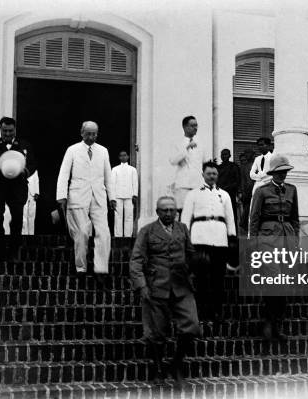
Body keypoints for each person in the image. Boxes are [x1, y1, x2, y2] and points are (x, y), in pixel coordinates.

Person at [129, 196, 200, 386]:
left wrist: (191, 272)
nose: (169, 214)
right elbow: (136, 260)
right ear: (157, 211)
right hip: (156, 287)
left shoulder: (183, 229)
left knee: (191, 325)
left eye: (172, 210)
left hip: (181, 287)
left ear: (176, 211)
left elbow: (191, 254)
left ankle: (176, 364)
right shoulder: (147, 231)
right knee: (157, 333)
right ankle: (159, 368)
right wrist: (141, 285)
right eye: (164, 210)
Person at [249, 153, 298, 341]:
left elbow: (295, 218)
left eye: (284, 172)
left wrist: (295, 241)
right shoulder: (261, 191)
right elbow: (254, 219)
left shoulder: (292, 190)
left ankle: (276, 323)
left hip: (287, 239)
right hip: (267, 239)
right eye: (279, 172)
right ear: (272, 173)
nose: (282, 175)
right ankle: (269, 322)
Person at [56, 121, 115, 276]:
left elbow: (108, 176)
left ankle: (101, 269)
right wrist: (61, 196)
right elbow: (63, 174)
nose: (91, 137)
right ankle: (81, 268)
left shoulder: (103, 151)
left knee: (104, 233)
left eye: (94, 133)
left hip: (98, 196)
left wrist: (112, 197)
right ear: (82, 133)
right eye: (88, 133)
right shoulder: (73, 150)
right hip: (78, 195)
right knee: (82, 232)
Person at [181, 161, 236, 320]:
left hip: (220, 239)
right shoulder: (193, 194)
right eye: (209, 173)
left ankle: (217, 311)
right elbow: (185, 218)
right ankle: (201, 311)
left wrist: (231, 238)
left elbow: (230, 218)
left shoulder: (224, 195)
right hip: (199, 238)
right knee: (201, 276)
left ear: (218, 175)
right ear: (203, 174)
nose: (212, 176)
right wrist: (185, 238)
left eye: (214, 174)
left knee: (218, 277)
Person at [0, 117, 36, 259]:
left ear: (15, 130)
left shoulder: (24, 145)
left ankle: (13, 252)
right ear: (0, 129)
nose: (8, 134)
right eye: (5, 131)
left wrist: (25, 171)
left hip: (17, 188)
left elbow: (33, 164)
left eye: (10, 131)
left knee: (17, 219)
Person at [169, 115, 210, 215]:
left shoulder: (201, 143)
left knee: (197, 213)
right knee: (183, 213)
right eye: (192, 125)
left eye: (196, 125)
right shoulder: (178, 143)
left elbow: (205, 162)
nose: (195, 128)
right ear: (185, 127)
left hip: (198, 183)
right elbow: (173, 161)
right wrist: (186, 148)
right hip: (183, 184)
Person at [110, 150, 138, 237]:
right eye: (121, 156)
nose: (123, 157)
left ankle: (128, 236)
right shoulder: (115, 169)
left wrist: (135, 195)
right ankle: (118, 235)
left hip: (129, 196)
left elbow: (135, 183)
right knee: (118, 217)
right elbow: (112, 184)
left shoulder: (133, 169)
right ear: (119, 157)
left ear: (128, 157)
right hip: (118, 196)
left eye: (125, 155)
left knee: (129, 216)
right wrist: (112, 198)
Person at [217, 148, 241, 221]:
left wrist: (230, 188)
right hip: (220, 194)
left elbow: (238, 181)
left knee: (232, 214)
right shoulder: (219, 167)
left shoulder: (234, 166)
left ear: (229, 155)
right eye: (222, 155)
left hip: (231, 193)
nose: (224, 156)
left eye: (225, 154)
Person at [239, 149, 256, 233]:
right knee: (247, 211)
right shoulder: (244, 167)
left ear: (253, 155)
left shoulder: (257, 165)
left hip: (255, 191)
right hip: (247, 193)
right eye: (246, 154)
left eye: (249, 154)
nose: (247, 156)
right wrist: (243, 192)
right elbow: (243, 180)